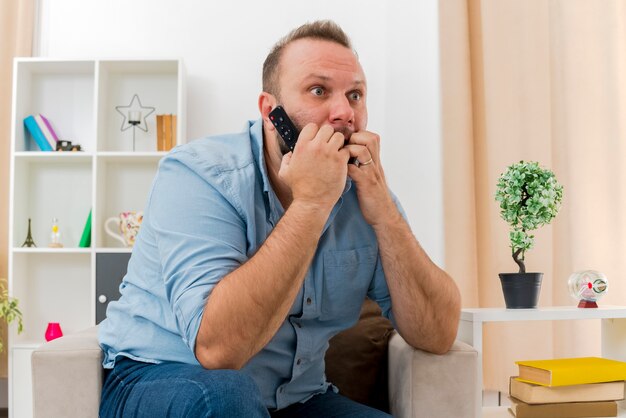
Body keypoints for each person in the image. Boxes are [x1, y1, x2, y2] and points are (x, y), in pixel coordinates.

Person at [98, 20, 461, 418]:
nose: (344, 112)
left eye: (355, 95)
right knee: (226, 397)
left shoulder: (365, 193)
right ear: (272, 112)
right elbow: (219, 351)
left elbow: (438, 335)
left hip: (296, 398)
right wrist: (310, 205)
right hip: (161, 378)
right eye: (319, 91)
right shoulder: (198, 174)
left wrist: (385, 214)